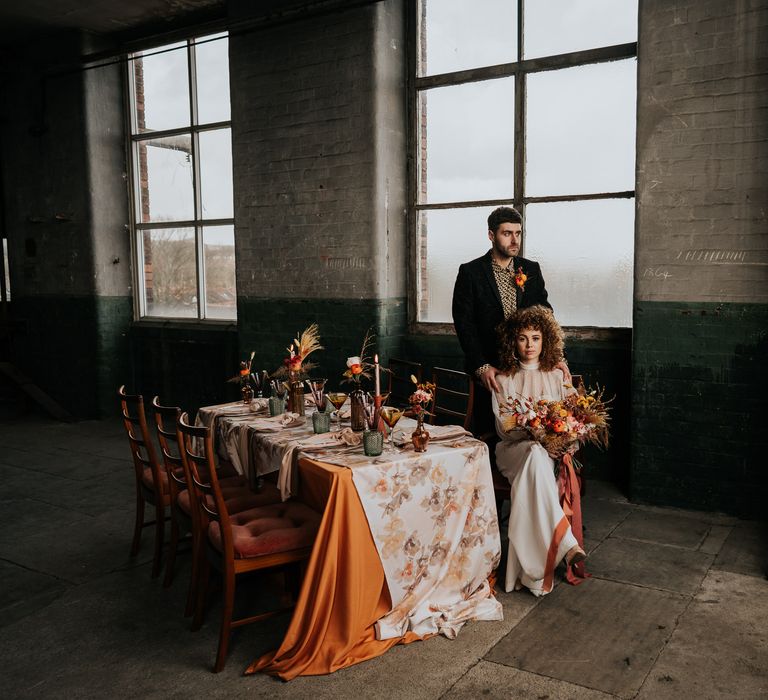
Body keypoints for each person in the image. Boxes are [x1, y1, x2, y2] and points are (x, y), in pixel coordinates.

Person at [491, 305, 586, 595]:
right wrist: (531, 430)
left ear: (545, 341)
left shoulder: (557, 377)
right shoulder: (503, 379)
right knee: (532, 451)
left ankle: (529, 575)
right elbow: (502, 429)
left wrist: (563, 442)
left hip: (546, 456)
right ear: (513, 342)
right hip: (512, 450)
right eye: (522, 338)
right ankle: (566, 545)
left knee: (535, 461)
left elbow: (576, 423)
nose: (529, 345)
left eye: (535, 338)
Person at [452, 206, 563, 434]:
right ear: (491, 235)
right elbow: (464, 324)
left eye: (518, 233)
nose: (515, 240)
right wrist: (481, 366)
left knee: (538, 428)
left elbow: (546, 316)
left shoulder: (530, 269)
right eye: (507, 233)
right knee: (493, 431)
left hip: (529, 365)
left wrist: (557, 358)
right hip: (491, 368)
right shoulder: (470, 272)